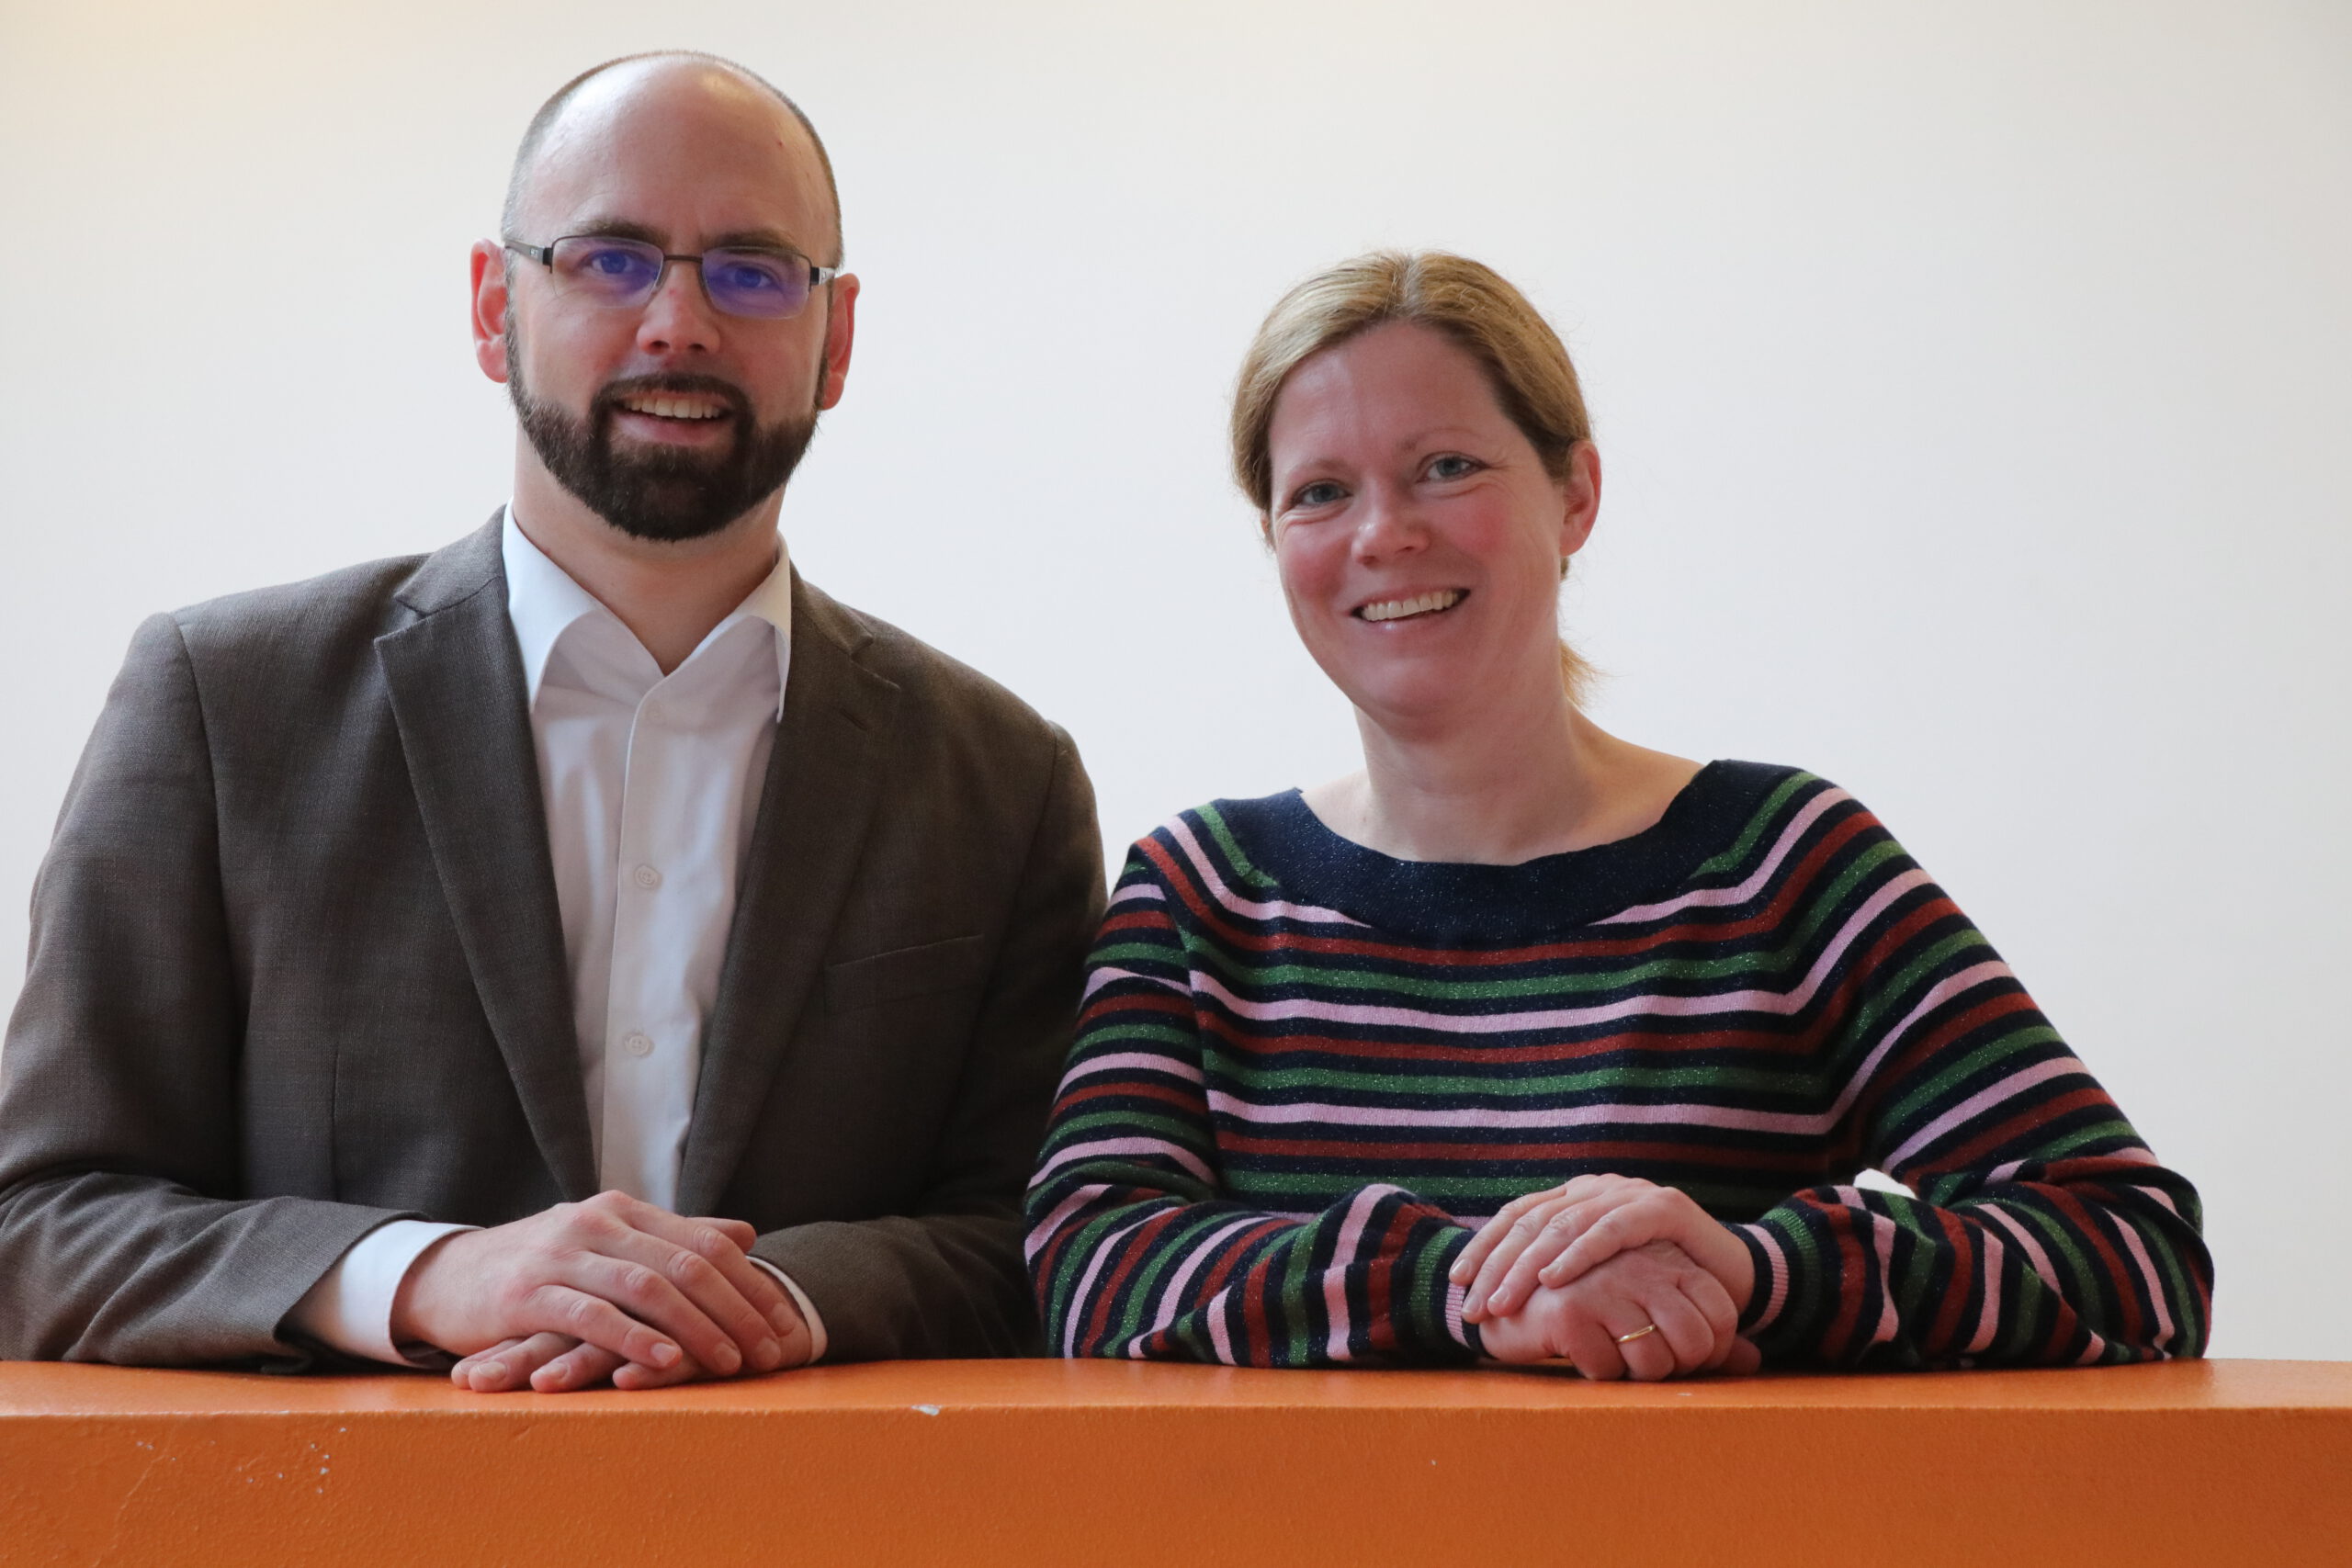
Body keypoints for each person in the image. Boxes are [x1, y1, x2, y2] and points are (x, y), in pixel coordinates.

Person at [0, 52, 1103, 1392]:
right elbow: (41, 1220)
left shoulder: (1003, 779)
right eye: (608, 259)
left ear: (839, 338)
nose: (679, 324)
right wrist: (427, 1274)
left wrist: (762, 1299)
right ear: (491, 305)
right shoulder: (223, 703)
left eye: (753, 270)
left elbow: (1040, 1240)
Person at [1025, 252, 2209, 1376]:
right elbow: (1085, 1261)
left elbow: (2136, 1254)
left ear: (1576, 493)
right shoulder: (1198, 892)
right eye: (1321, 493)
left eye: (1447, 466)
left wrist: (1751, 1272)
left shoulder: (1786, 864)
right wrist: (1478, 1291)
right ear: (1277, 542)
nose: (1385, 534)